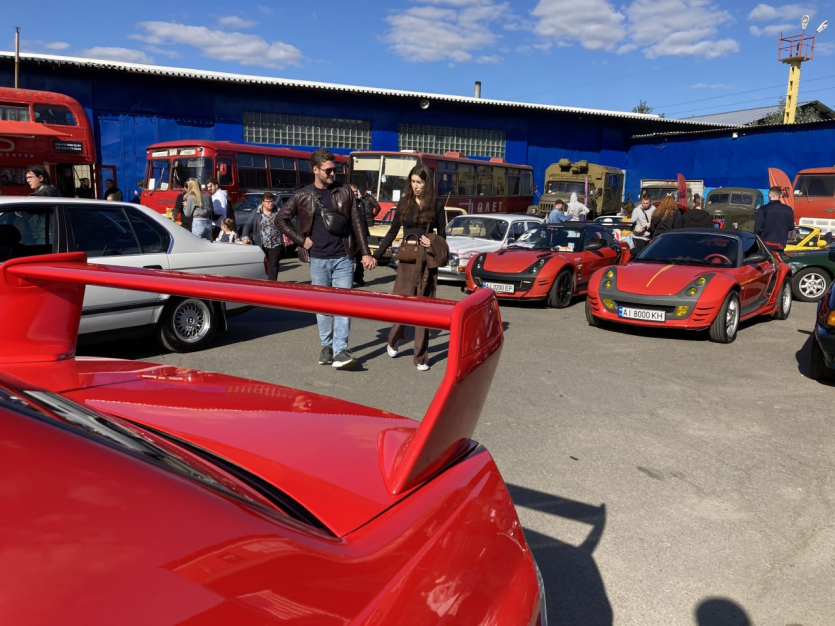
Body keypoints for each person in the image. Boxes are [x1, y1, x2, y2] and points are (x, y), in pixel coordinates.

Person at [277, 148, 376, 369]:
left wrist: (365, 252)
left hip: (343, 258)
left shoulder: (345, 192)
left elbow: (357, 222)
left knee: (344, 305)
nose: (333, 174)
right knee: (322, 306)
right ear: (316, 170)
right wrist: (301, 240)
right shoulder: (302, 195)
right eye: (328, 170)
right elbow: (280, 219)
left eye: (334, 170)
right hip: (318, 259)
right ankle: (326, 346)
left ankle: (340, 350)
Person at [373, 164, 447, 372]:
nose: (415, 186)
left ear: (427, 183)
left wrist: (432, 241)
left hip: (427, 262)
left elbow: (443, 235)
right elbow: (392, 231)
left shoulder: (436, 205)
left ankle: (420, 358)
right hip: (406, 262)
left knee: (424, 311)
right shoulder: (404, 203)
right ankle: (393, 339)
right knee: (402, 306)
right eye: (413, 182)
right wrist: (376, 255)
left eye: (419, 182)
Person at [241, 191, 283, 280]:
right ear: (263, 202)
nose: (271, 203)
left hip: (276, 243)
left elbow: (286, 223)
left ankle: (272, 284)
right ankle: (263, 283)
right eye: (268, 201)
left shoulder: (278, 211)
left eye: (272, 201)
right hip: (261, 243)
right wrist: (245, 236)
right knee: (262, 265)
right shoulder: (257, 212)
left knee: (274, 265)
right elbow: (248, 224)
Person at [755, 186, 796, 252]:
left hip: (765, 246)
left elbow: (757, 229)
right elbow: (791, 227)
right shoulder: (788, 210)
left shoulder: (763, 209)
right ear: (780, 196)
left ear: (769, 195)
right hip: (780, 245)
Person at [350, 183, 371, 286]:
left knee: (361, 257)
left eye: (356, 191)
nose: (355, 193)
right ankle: (348, 278)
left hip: (361, 235)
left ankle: (358, 277)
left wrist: (366, 231)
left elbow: (363, 218)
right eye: (353, 191)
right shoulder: (346, 203)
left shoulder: (360, 202)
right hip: (351, 236)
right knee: (349, 258)